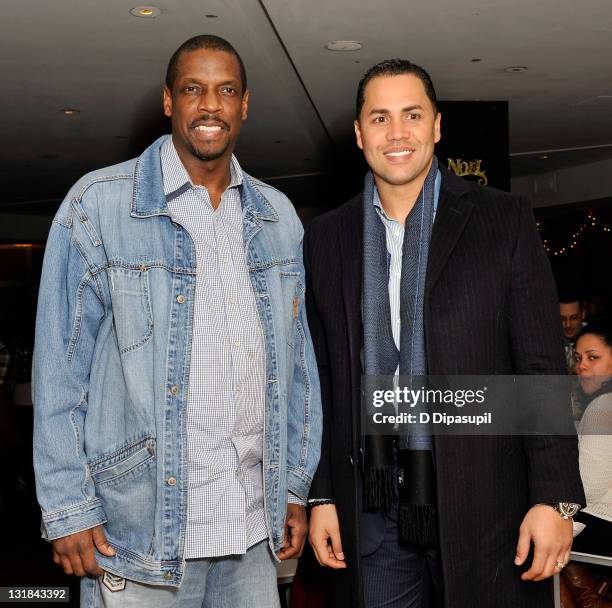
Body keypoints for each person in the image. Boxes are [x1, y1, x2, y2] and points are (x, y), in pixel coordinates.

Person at [32, 35, 321, 608]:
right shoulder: (98, 205)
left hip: (249, 530)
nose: (210, 105)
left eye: (226, 90)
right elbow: (60, 371)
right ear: (169, 101)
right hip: (138, 533)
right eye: (193, 89)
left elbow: (298, 371)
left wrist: (292, 484)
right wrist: (67, 506)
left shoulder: (277, 217)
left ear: (244, 105)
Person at [304, 59, 585, 607]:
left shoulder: (502, 219)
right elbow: (321, 378)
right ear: (360, 133)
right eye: (380, 118)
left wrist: (555, 501)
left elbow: (538, 366)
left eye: (411, 115)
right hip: (370, 505)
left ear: (436, 125)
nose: (397, 133)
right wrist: (319, 495)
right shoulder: (326, 237)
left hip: (486, 508)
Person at [561, 320, 612, 608]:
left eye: (594, 357)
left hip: (605, 521)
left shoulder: (603, 405)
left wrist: (556, 517)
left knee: (536, 536)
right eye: (578, 358)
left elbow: (585, 491)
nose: (582, 366)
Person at [560, 297, 585, 373]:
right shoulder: (547, 342)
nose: (568, 325)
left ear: (583, 314)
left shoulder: (597, 338)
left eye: (574, 318)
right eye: (562, 319)